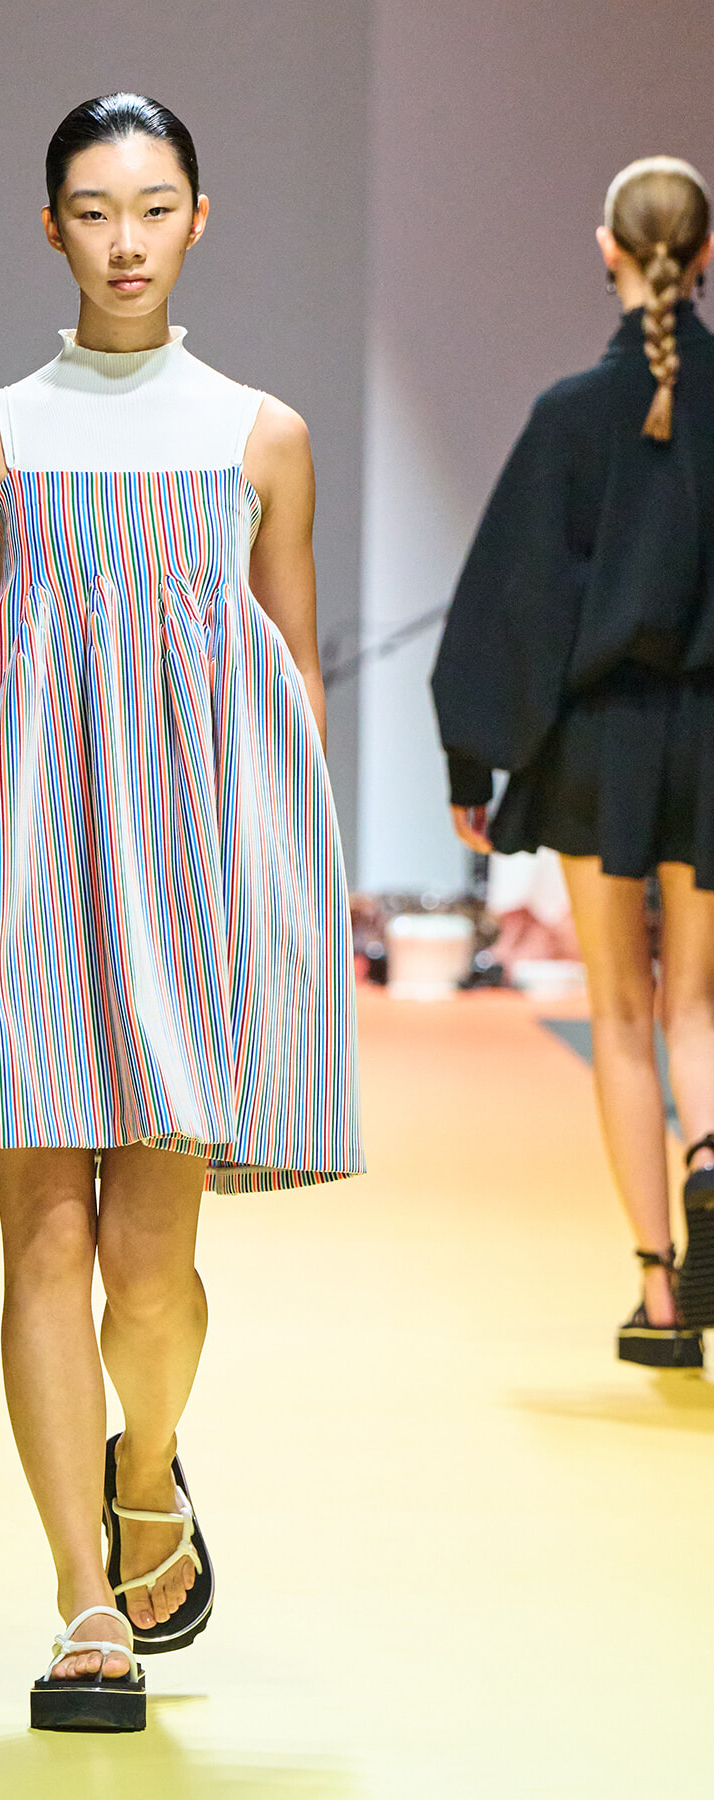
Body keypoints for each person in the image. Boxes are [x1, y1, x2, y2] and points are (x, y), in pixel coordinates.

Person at [0, 95, 362, 1729]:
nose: (123, 239)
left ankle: (148, 1473)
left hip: (196, 880)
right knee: (45, 1240)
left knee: (151, 1261)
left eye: (151, 207)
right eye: (91, 209)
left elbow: (290, 672)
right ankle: (84, 1604)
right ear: (50, 227)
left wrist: (284, 884)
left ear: (198, 218)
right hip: (18, 878)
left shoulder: (261, 434)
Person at [432, 156, 714, 1370]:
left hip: (605, 750)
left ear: (608, 249)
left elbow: (511, 606)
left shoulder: (567, 418)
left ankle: (659, 1293)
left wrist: (470, 767)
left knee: (621, 1011)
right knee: (702, 1006)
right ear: (703, 257)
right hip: (713, 740)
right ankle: (713, 1159)